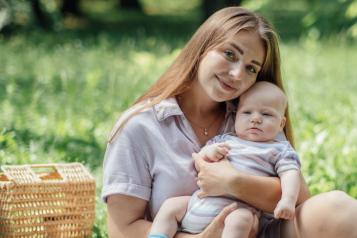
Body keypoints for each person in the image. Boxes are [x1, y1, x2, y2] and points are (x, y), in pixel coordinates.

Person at [101, 6, 357, 238]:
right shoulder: (141, 127)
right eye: (229, 54)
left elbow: (301, 200)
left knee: (338, 209)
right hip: (186, 233)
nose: (237, 75)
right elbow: (123, 228)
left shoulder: (252, 114)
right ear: (202, 47)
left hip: (262, 232)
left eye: (251, 68)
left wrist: (233, 181)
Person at [148, 81, 301, 238]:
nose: (255, 119)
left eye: (266, 114)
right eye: (247, 112)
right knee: (170, 206)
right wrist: (209, 152)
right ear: (236, 117)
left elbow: (290, 173)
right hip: (197, 204)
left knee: (241, 219)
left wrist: (288, 200)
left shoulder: (279, 150)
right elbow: (200, 160)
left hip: (235, 210)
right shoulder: (225, 139)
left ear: (281, 123)